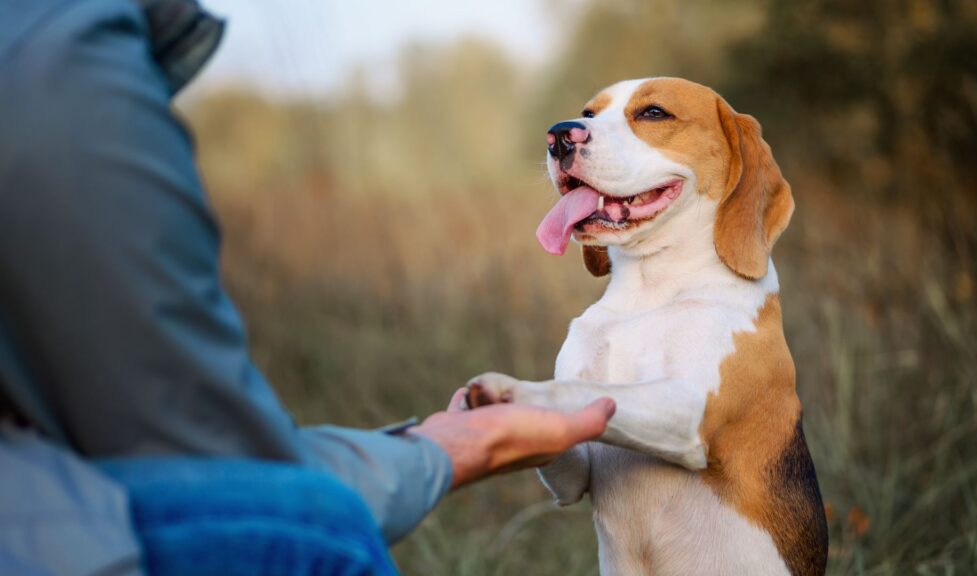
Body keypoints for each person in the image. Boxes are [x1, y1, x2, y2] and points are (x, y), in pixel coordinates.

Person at [0, 0, 616, 574]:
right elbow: (227, 472)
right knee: (317, 533)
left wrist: (430, 448)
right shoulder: (62, 69)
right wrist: (443, 454)